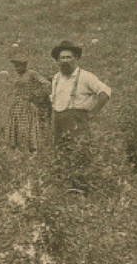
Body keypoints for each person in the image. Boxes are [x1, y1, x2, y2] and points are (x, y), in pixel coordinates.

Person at [48, 40, 112, 191]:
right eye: (62, 58)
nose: (65, 61)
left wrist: (92, 113)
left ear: (76, 58)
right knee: (60, 153)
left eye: (69, 57)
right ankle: (65, 188)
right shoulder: (56, 78)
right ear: (57, 61)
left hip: (77, 120)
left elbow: (105, 92)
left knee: (79, 152)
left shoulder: (85, 77)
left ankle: (83, 189)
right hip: (59, 120)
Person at [6, 56, 52, 152]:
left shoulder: (31, 73)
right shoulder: (17, 76)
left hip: (27, 105)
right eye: (15, 66)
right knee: (15, 127)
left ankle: (30, 150)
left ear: (24, 65)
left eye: (18, 66)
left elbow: (46, 84)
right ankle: (17, 150)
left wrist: (35, 94)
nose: (17, 69)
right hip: (16, 105)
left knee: (27, 127)